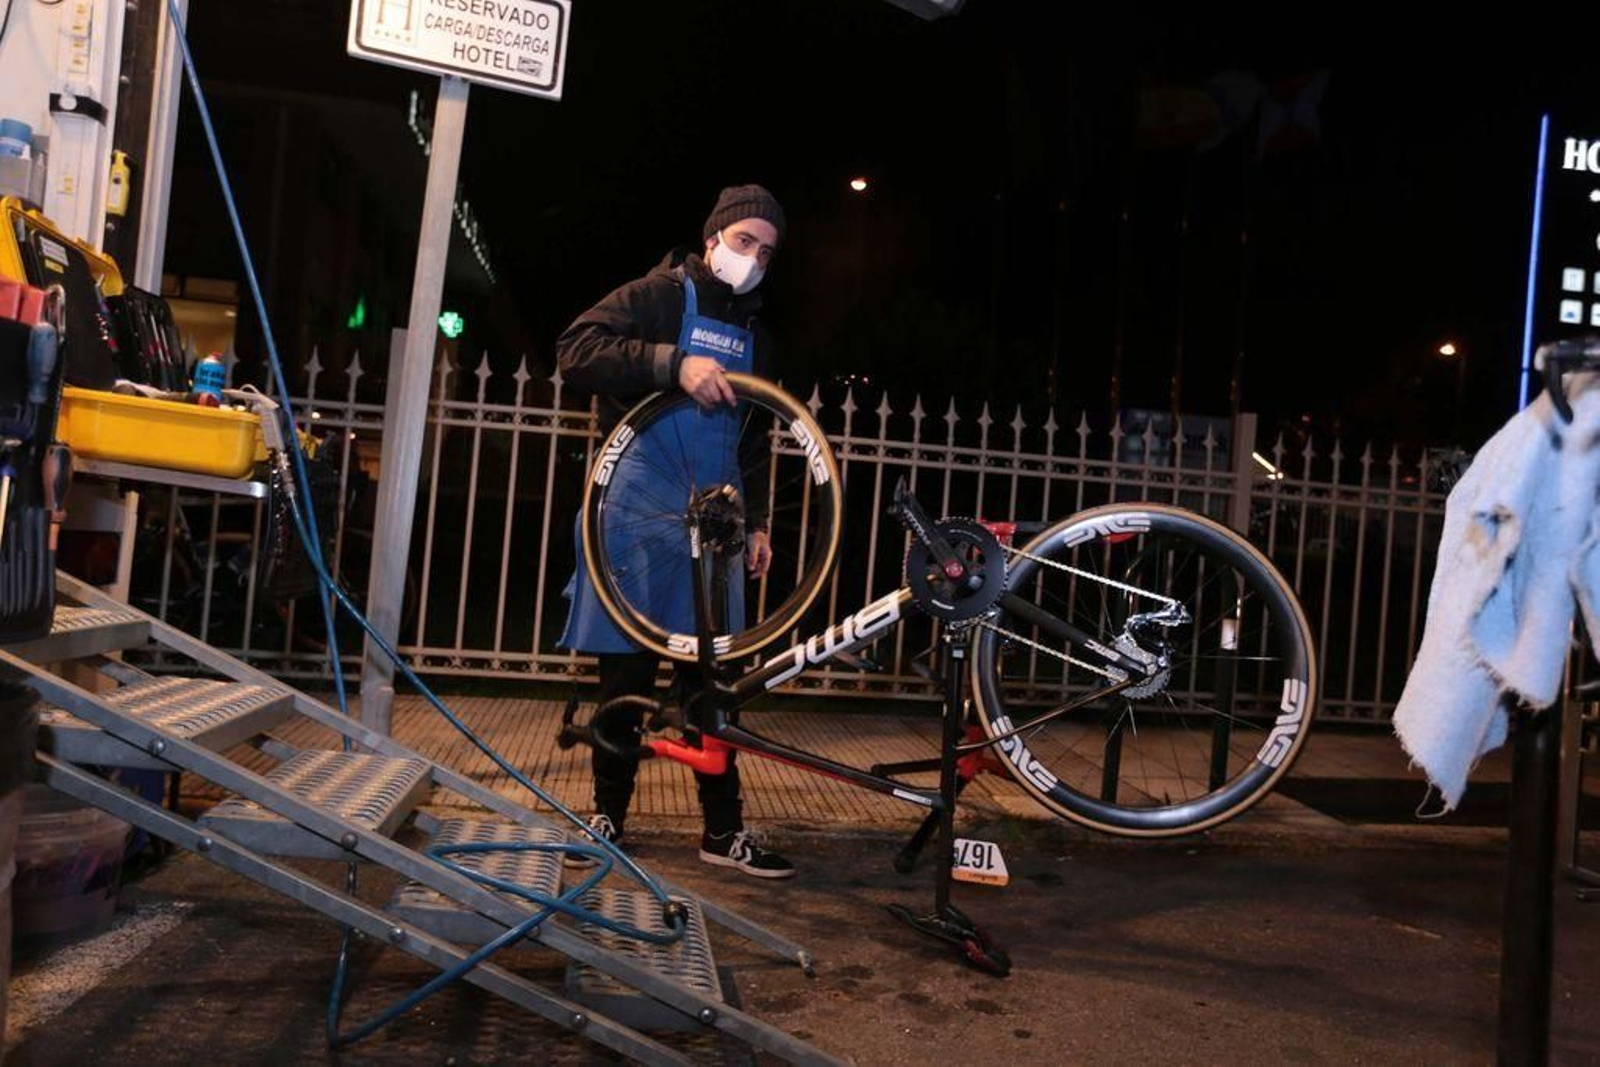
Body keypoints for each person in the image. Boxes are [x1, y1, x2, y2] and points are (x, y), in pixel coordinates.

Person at [555, 184, 794, 879]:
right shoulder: (657, 296)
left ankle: (723, 830)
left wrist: (758, 521)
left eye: (767, 252)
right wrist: (672, 364)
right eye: (744, 241)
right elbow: (575, 350)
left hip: (714, 520)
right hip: (636, 510)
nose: (753, 259)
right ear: (713, 237)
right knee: (625, 672)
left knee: (711, 684)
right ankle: (606, 816)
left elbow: (755, 436)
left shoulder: (758, 337)